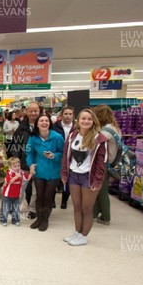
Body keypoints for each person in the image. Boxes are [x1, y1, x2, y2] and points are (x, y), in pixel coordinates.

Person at [61, 109, 108, 246]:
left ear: (93, 121)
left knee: (87, 209)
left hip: (89, 177)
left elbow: (101, 162)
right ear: (78, 120)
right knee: (76, 207)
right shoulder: (72, 136)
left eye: (89, 119)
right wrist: (64, 173)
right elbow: (66, 156)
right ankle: (77, 232)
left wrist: (98, 180)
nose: (86, 121)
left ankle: (83, 236)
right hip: (73, 175)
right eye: (83, 118)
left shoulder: (99, 139)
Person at [26, 113, 64, 231]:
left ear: (50, 123)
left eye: (46, 121)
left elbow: (63, 153)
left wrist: (54, 155)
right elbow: (29, 153)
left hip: (53, 172)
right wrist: (30, 165)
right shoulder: (33, 138)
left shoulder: (57, 137)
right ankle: (39, 218)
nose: (44, 123)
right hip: (39, 171)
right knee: (39, 195)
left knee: (48, 196)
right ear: (37, 124)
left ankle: (45, 219)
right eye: (41, 121)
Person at [92, 105, 122, 225]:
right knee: (99, 190)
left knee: (101, 191)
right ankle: (94, 212)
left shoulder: (105, 132)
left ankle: (106, 217)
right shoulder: (115, 128)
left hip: (103, 164)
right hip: (110, 163)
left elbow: (94, 145)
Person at [13, 102, 42, 220]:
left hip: (40, 162)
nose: (33, 113)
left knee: (36, 188)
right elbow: (16, 145)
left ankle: (33, 209)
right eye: (31, 111)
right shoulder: (21, 128)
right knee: (22, 187)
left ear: (40, 112)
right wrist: (16, 161)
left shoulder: (44, 125)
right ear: (27, 112)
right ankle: (15, 207)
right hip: (24, 161)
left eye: (36, 111)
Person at [53, 106, 75, 209]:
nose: (68, 116)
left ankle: (64, 200)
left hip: (71, 157)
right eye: (66, 114)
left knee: (68, 179)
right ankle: (52, 199)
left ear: (73, 115)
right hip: (57, 155)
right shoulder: (55, 126)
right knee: (54, 178)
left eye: (70, 114)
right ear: (61, 115)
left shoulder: (76, 127)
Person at [0, 157, 30, 226]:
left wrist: (32, 172)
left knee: (16, 209)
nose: (17, 168)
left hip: (16, 195)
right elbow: (9, 181)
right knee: (5, 208)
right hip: (8, 195)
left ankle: (15, 220)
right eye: (15, 166)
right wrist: (16, 177)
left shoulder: (21, 172)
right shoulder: (9, 173)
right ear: (10, 166)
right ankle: (3, 220)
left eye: (18, 166)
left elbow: (28, 177)